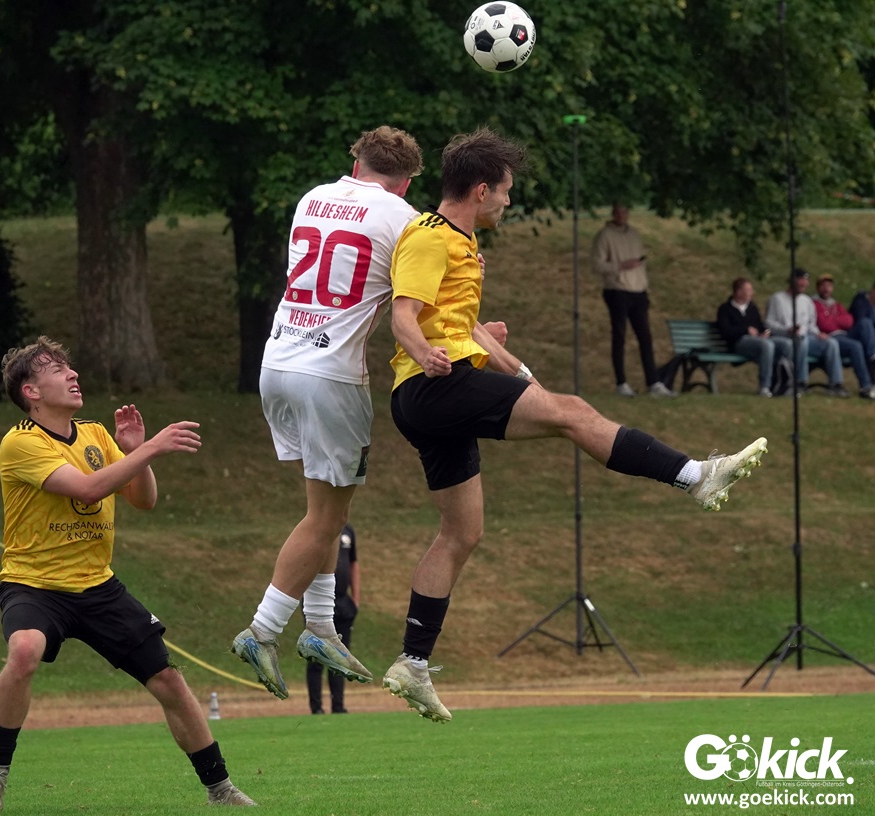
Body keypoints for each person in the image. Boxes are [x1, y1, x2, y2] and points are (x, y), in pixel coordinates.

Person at [382, 127, 768, 722]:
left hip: (437, 391)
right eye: (505, 190)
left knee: (462, 533)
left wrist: (522, 373)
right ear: (481, 190)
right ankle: (696, 475)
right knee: (575, 414)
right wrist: (426, 353)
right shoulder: (431, 235)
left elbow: (469, 329)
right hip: (434, 385)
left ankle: (412, 661)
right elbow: (402, 315)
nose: (509, 200)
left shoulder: (459, 242)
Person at [0, 336, 255, 814]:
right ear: (31, 392)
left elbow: (144, 500)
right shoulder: (20, 442)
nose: (72, 374)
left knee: (168, 680)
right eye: (57, 370)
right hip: (35, 584)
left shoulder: (96, 435)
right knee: (24, 650)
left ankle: (221, 789)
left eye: (69, 366)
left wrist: (135, 452)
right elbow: (87, 488)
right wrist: (155, 448)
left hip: (97, 585)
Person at [229, 126, 424, 699]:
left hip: (278, 361)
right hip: (331, 374)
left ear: (356, 163)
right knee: (324, 519)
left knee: (325, 512)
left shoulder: (312, 198)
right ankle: (263, 630)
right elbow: (414, 299)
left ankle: (321, 626)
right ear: (406, 182)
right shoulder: (404, 218)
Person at [590, 203, 676, 398]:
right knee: (619, 336)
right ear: (613, 214)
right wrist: (620, 266)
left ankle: (653, 382)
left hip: (638, 291)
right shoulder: (605, 236)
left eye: (625, 212)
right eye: (618, 212)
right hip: (617, 290)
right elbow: (597, 265)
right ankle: (621, 383)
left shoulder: (634, 235)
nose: (622, 216)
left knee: (645, 336)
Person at [764, 268, 849, 397]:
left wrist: (818, 333)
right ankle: (800, 382)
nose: (805, 284)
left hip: (806, 337)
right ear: (793, 280)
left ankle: (836, 384)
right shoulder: (777, 299)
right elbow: (768, 323)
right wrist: (787, 329)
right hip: (786, 337)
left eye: (806, 281)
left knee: (831, 343)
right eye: (801, 280)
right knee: (802, 341)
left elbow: (811, 325)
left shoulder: (806, 301)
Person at [306, 524, 360, 715]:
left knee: (339, 656)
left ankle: (338, 706)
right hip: (318, 602)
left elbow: (353, 563)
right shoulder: (313, 526)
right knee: (316, 655)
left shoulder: (348, 530)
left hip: (343, 602)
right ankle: (316, 707)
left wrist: (356, 599)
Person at [716, 277, 794, 397]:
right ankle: (765, 386)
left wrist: (766, 332)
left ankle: (785, 382)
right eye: (748, 290)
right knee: (767, 345)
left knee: (786, 344)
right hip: (738, 342)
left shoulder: (752, 308)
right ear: (738, 292)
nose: (752, 293)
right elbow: (725, 331)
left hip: (758, 340)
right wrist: (745, 330)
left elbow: (762, 327)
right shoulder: (725, 309)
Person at [813, 274, 875, 399]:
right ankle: (866, 386)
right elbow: (823, 324)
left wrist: (832, 320)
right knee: (856, 346)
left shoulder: (836, 305)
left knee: (865, 323)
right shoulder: (815, 304)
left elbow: (849, 321)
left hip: (845, 335)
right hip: (829, 338)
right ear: (818, 288)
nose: (826, 289)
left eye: (829, 286)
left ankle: (873, 355)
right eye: (823, 286)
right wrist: (837, 321)